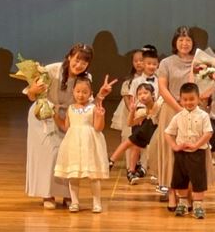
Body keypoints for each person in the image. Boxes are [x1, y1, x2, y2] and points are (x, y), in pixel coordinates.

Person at [23, 43, 114, 208]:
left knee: (67, 154)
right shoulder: (51, 70)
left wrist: (101, 95)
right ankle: (47, 195)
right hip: (43, 114)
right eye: (77, 60)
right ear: (70, 57)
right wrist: (34, 89)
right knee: (49, 154)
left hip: (68, 117)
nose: (79, 65)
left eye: (84, 62)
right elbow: (31, 96)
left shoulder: (86, 78)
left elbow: (88, 105)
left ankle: (68, 195)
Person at [148, 26, 196, 209]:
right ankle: (171, 195)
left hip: (193, 110)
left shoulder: (199, 61)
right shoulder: (166, 63)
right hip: (171, 111)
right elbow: (163, 88)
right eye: (181, 39)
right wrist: (179, 109)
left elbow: (204, 86)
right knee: (170, 153)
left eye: (188, 40)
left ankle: (189, 195)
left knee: (191, 153)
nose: (185, 43)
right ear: (175, 42)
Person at [53, 75, 110, 213]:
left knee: (93, 175)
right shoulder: (70, 108)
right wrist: (55, 115)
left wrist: (101, 116)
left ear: (90, 93)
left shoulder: (93, 108)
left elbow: (98, 128)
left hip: (89, 144)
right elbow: (66, 127)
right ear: (73, 91)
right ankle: (75, 202)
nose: (81, 95)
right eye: (78, 91)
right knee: (73, 174)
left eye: (85, 92)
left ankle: (97, 203)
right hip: (73, 144)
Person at [109, 46, 160, 183]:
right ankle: (131, 171)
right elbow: (132, 99)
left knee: (151, 144)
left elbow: (159, 97)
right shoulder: (136, 81)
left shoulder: (159, 80)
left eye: (154, 64)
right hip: (140, 115)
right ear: (143, 64)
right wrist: (136, 113)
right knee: (135, 144)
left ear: (158, 65)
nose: (151, 66)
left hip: (154, 115)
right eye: (148, 63)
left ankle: (151, 170)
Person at [164, 82, 213, 219]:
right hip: (181, 153)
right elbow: (167, 133)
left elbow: (208, 133)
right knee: (180, 179)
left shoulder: (203, 115)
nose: (188, 102)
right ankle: (183, 203)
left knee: (198, 180)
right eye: (185, 99)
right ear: (180, 100)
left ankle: (198, 205)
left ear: (198, 98)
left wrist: (197, 145)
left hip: (197, 153)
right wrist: (175, 146)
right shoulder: (178, 116)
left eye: (192, 99)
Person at [110, 47, 144, 170]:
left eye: (141, 60)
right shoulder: (128, 81)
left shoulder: (153, 78)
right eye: (136, 61)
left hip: (146, 113)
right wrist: (134, 113)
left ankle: (144, 166)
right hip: (131, 113)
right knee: (129, 136)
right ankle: (131, 166)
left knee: (145, 139)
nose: (138, 63)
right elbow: (126, 99)